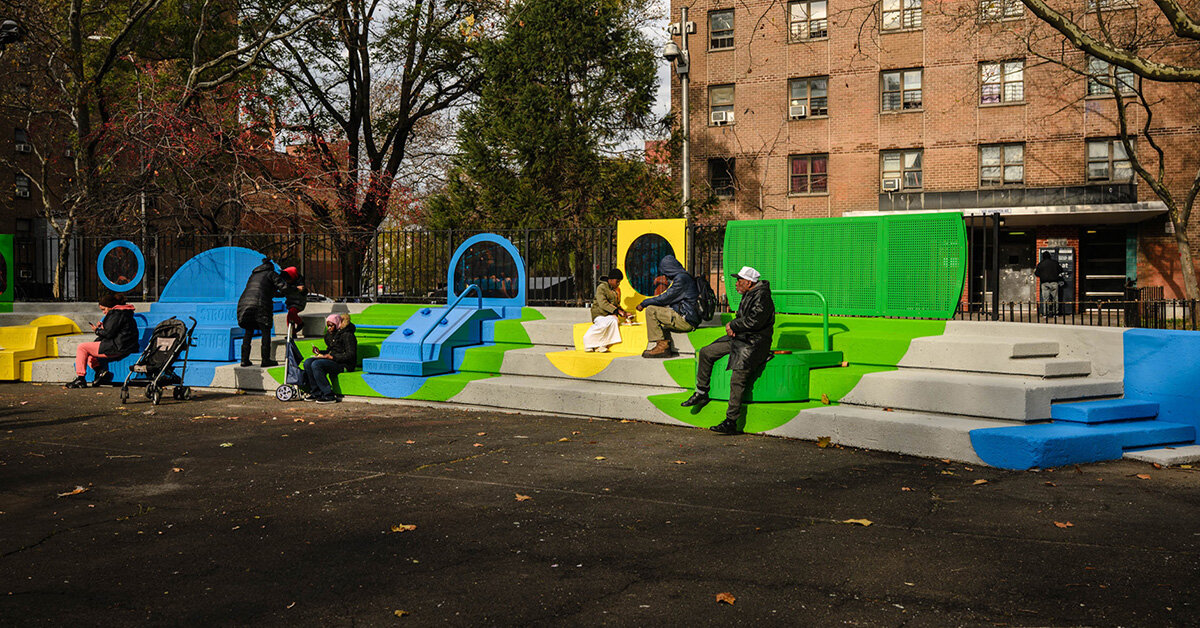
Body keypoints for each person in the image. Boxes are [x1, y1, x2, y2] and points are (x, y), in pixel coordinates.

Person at [680, 266, 775, 435]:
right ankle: (701, 391)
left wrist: (732, 325)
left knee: (737, 378)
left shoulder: (762, 296)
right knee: (706, 352)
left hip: (754, 343)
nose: (736, 284)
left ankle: (731, 421)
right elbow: (744, 320)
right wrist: (734, 327)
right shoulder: (749, 294)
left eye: (739, 280)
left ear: (749, 282)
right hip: (741, 338)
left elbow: (754, 322)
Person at [237, 260, 305, 367]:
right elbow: (284, 287)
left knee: (248, 331)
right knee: (265, 330)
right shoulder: (271, 274)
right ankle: (265, 360)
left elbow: (268, 291)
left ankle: (244, 360)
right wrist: (296, 289)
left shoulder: (254, 275)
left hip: (244, 303)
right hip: (260, 305)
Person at [67, 294, 140, 388]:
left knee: (82, 347)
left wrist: (97, 330)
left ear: (110, 307)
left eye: (104, 309)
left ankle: (81, 378)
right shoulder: (124, 313)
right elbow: (114, 331)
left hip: (117, 347)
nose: (104, 312)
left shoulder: (116, 314)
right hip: (123, 345)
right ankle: (100, 371)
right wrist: (102, 328)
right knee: (88, 353)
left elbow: (108, 333)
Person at [635, 254, 700, 358]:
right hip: (687, 317)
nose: (665, 276)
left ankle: (662, 347)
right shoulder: (684, 276)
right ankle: (662, 345)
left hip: (685, 320)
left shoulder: (681, 279)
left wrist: (644, 303)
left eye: (665, 272)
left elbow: (665, 298)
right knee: (658, 309)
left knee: (651, 310)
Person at [303, 313, 358, 403]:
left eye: (331, 326)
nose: (329, 328)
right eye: (328, 326)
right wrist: (320, 352)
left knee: (317, 364)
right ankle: (316, 392)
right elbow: (330, 350)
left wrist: (332, 357)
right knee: (308, 362)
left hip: (344, 364)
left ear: (337, 324)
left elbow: (351, 355)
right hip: (333, 360)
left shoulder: (348, 335)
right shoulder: (331, 334)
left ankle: (328, 395)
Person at [583, 269, 630, 352]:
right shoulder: (601, 288)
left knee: (614, 321)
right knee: (606, 323)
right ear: (610, 280)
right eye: (617, 282)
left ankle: (602, 345)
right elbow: (603, 303)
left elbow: (617, 305)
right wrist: (617, 311)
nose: (618, 284)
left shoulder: (617, 290)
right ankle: (587, 342)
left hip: (610, 315)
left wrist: (624, 313)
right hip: (599, 314)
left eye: (619, 282)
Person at [1035, 251, 1064, 317]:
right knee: (1055, 299)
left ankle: (1045, 314)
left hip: (1044, 283)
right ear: (1050, 256)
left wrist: (1042, 276)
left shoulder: (1040, 264)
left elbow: (1036, 273)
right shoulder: (1055, 263)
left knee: (1045, 299)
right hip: (1054, 282)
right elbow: (1061, 270)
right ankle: (1055, 313)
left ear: (1043, 257)